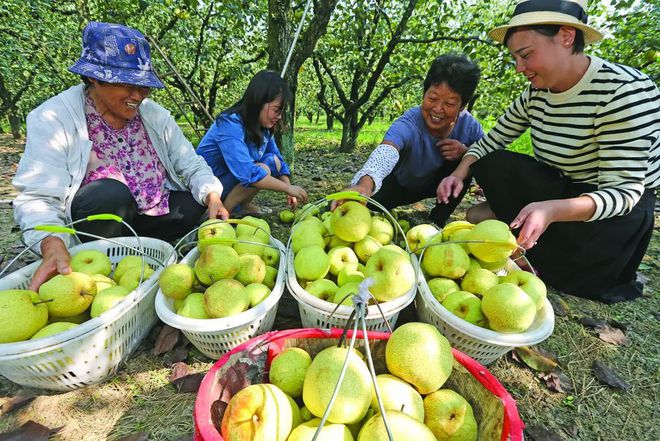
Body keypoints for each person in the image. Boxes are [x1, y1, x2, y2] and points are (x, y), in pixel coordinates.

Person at [438, 0, 659, 303]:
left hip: (610, 216)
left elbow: (623, 193)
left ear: (566, 37)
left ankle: (539, 242)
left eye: (526, 55)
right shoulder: (536, 93)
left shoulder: (623, 92)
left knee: (566, 270)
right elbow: (492, 141)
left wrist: (552, 210)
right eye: (515, 57)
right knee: (493, 163)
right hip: (561, 188)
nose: (519, 68)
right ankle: (528, 233)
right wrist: (458, 173)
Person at [12, 22, 228, 291]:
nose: (137, 96)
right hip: (102, 220)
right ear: (93, 78)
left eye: (144, 86)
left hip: (150, 212)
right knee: (108, 194)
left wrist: (212, 196)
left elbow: (190, 163)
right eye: (126, 84)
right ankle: (110, 261)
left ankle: (147, 251)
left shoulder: (154, 115)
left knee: (194, 203)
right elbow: (37, 197)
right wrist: (52, 242)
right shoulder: (54, 118)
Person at [334, 53, 484, 227]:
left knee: (469, 159)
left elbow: (487, 153)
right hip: (401, 185)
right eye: (432, 98)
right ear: (424, 93)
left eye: (449, 104)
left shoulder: (470, 126)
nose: (437, 109)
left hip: (440, 186)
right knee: (366, 208)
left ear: (463, 106)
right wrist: (366, 183)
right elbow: (387, 151)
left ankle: (437, 220)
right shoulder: (409, 122)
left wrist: (466, 152)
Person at [196, 70, 308, 216]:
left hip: (231, 181)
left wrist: (288, 185)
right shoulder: (230, 123)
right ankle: (224, 212)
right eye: (276, 110)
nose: (279, 116)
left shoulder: (262, 126)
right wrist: (286, 189)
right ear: (259, 102)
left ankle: (242, 205)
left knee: (270, 161)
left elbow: (276, 158)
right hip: (210, 187)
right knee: (262, 169)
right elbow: (247, 172)